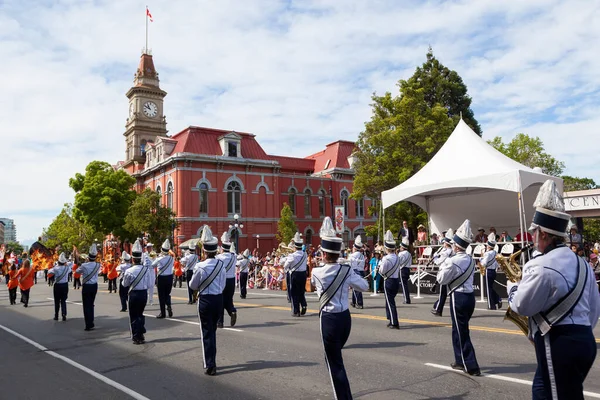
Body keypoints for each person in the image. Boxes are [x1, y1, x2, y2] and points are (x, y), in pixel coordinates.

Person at [508, 179, 600, 399]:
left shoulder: (540, 265)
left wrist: (513, 288)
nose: (532, 236)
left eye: (534, 232)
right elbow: (594, 309)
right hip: (585, 339)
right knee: (542, 389)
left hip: (560, 342)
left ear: (544, 235)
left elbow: (522, 305)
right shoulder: (583, 264)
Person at [311, 217, 369, 399]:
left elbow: (314, 284)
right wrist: (346, 266)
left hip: (328, 319)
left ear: (324, 254)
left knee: (335, 363)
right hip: (345, 319)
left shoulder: (316, 272)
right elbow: (364, 286)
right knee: (335, 359)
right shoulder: (346, 270)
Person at [437, 219, 481, 376]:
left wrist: (442, 266)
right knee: (458, 329)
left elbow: (441, 279)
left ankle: (471, 365)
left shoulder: (452, 261)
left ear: (456, 246)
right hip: (470, 296)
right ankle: (459, 359)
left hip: (459, 296)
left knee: (461, 331)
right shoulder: (470, 259)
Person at [189, 225, 226, 376]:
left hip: (205, 301)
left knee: (206, 332)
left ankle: (210, 364)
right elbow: (223, 284)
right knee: (213, 332)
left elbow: (192, 285)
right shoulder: (221, 265)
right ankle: (213, 361)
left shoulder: (200, 266)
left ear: (204, 250)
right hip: (218, 300)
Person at [122, 239, 154, 345]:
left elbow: (124, 284)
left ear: (133, 259)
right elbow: (150, 284)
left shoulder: (129, 271)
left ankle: (136, 336)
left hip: (134, 294)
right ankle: (141, 333)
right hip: (143, 293)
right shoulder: (146, 270)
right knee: (140, 313)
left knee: (133, 315)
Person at [76, 243, 101, 331]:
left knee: (86, 305)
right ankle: (92, 321)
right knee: (91, 304)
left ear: (88, 257)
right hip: (94, 286)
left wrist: (84, 263)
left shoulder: (84, 265)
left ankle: (88, 324)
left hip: (86, 286)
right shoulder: (98, 265)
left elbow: (77, 271)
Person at [378, 230, 401, 329]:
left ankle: (394, 322)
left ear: (387, 248)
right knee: (389, 300)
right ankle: (390, 317)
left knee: (390, 302)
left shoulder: (386, 259)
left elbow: (382, 271)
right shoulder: (397, 257)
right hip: (396, 280)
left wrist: (378, 268)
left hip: (389, 281)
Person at [284, 233, 308, 317]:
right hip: (303, 274)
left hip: (295, 274)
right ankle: (304, 304)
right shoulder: (305, 254)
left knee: (294, 292)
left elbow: (286, 265)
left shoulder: (292, 255)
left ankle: (296, 310)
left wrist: (287, 268)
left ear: (295, 247)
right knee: (301, 291)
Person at [431, 229, 454, 316]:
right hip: (451, 273)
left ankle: (438, 309)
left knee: (443, 293)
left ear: (446, 243)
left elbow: (438, 262)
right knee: (447, 293)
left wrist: (435, 257)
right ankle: (437, 306)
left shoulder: (446, 252)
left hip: (445, 273)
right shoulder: (451, 251)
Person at [217, 232, 237, 328]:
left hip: (222, 280)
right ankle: (232, 310)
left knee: (220, 300)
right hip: (232, 280)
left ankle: (220, 322)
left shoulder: (219, 257)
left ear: (222, 248)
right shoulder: (234, 256)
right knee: (229, 299)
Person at [152, 239, 175, 319]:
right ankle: (168, 305)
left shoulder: (160, 259)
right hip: (170, 277)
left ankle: (163, 313)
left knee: (161, 296)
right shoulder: (172, 258)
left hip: (161, 278)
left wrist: (156, 258)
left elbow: (152, 265)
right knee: (167, 294)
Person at [480, 233, 501, 310]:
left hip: (488, 271)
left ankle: (491, 305)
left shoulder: (487, 254)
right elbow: (496, 264)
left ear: (488, 246)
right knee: (490, 287)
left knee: (488, 289)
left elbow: (484, 263)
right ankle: (497, 299)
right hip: (493, 271)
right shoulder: (495, 252)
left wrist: (480, 259)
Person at [47, 252, 70, 321]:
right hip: (65, 285)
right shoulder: (67, 268)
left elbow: (49, 272)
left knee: (57, 301)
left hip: (57, 285)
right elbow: (70, 268)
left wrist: (55, 265)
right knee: (63, 300)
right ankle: (64, 314)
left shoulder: (55, 268)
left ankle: (56, 315)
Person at [349, 235, 366, 309]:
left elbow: (350, 265)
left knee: (357, 289)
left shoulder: (352, 255)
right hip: (361, 271)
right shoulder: (362, 255)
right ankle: (353, 302)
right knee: (355, 287)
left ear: (355, 248)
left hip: (355, 271)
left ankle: (359, 303)